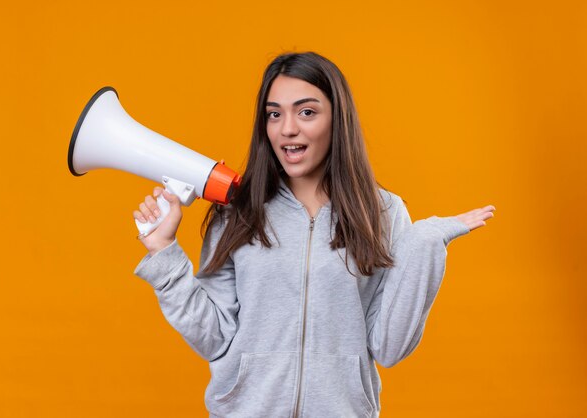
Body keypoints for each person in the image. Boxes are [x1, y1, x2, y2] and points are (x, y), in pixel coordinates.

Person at [132, 51, 495, 418]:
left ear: (338, 119)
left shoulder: (383, 213)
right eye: (275, 114)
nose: (287, 128)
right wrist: (164, 252)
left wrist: (424, 242)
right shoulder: (237, 212)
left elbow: (389, 347)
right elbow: (214, 338)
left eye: (306, 112)